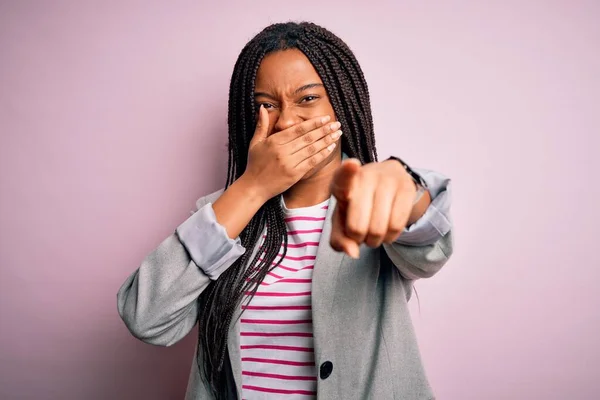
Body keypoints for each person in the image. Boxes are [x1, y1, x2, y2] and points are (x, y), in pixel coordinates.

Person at [117, 21, 453, 400]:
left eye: (307, 99)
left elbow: (428, 249)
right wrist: (253, 187)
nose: (287, 122)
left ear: (342, 102)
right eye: (267, 105)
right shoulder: (222, 214)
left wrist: (408, 185)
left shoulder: (369, 202)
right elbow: (146, 318)